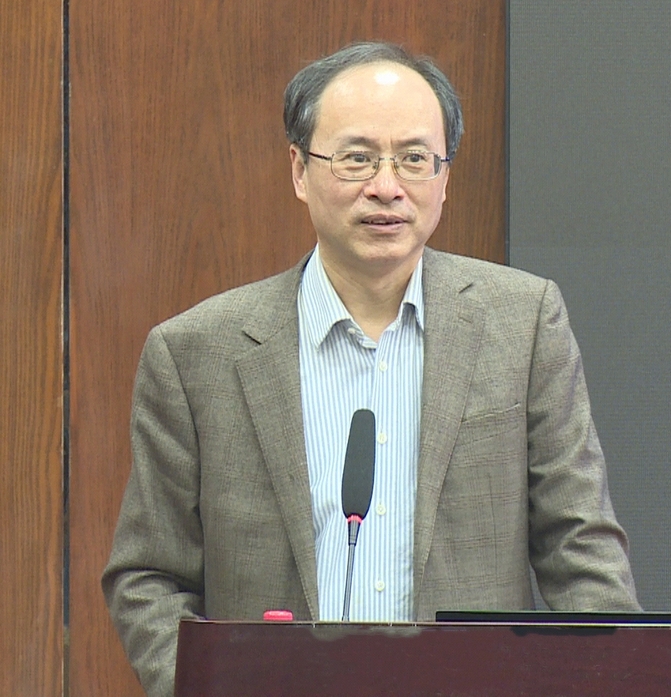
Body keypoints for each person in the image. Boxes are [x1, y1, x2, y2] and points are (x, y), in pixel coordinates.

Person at [103, 41, 639, 697]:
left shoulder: (522, 323)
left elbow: (579, 550)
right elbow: (149, 576)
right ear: (299, 171)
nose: (386, 186)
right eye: (356, 158)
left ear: (444, 177)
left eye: (414, 159)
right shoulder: (196, 353)